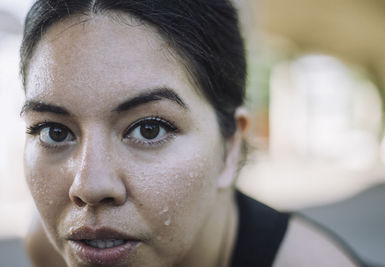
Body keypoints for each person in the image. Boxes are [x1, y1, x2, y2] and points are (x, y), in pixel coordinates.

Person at [20, 0, 365, 266]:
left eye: (149, 129)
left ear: (230, 147)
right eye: (54, 131)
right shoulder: (49, 246)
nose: (89, 186)